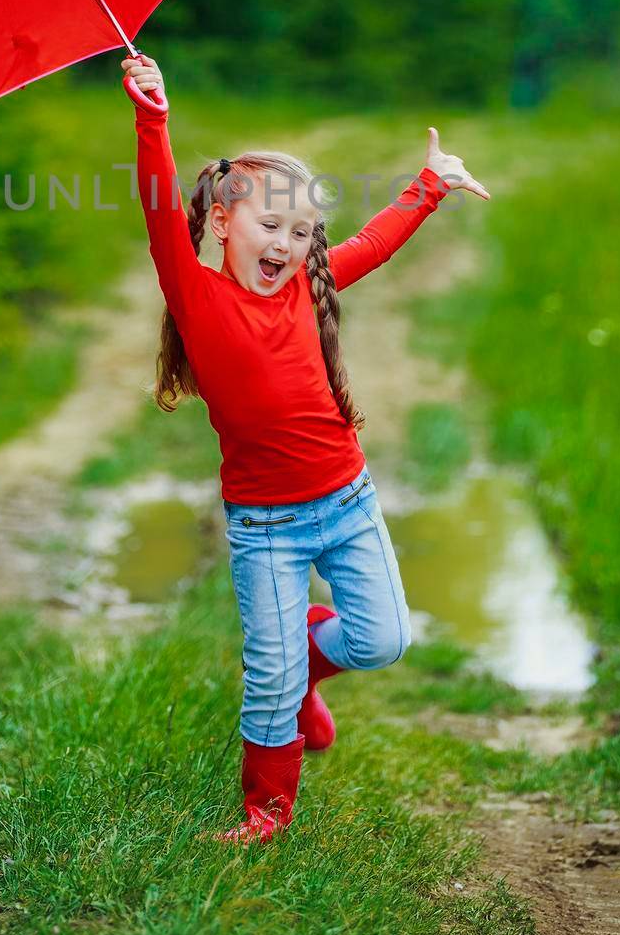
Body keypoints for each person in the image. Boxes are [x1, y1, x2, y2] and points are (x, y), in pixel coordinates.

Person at [120, 51, 490, 845]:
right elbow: (156, 209)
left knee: (382, 640)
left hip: (347, 501)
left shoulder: (301, 288)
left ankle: (317, 664)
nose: (286, 242)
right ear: (222, 222)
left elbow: (376, 243)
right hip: (264, 527)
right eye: (269, 224)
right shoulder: (197, 294)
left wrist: (430, 186)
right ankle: (267, 816)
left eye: (300, 230)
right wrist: (153, 116)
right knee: (268, 681)